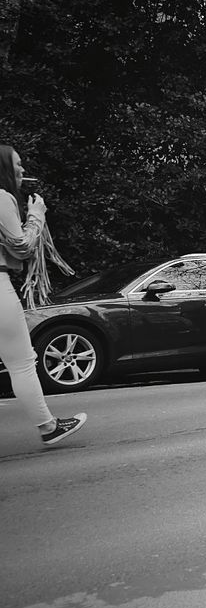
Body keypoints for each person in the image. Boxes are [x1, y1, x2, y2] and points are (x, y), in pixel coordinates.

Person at [0, 146, 86, 446]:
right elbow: (21, 246)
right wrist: (36, 215)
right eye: (18, 164)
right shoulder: (1, 197)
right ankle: (49, 427)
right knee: (21, 362)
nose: (23, 170)